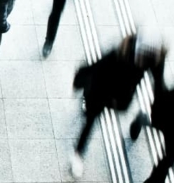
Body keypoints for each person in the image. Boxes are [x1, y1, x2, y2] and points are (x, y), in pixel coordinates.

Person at [70, 33, 167, 178]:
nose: (142, 61)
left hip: (122, 97)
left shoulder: (154, 59)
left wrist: (164, 103)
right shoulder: (118, 54)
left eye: (146, 58)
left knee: (118, 109)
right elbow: (97, 68)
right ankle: (78, 154)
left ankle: (140, 120)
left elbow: (159, 85)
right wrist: (80, 79)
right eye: (141, 56)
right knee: (90, 120)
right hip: (102, 89)